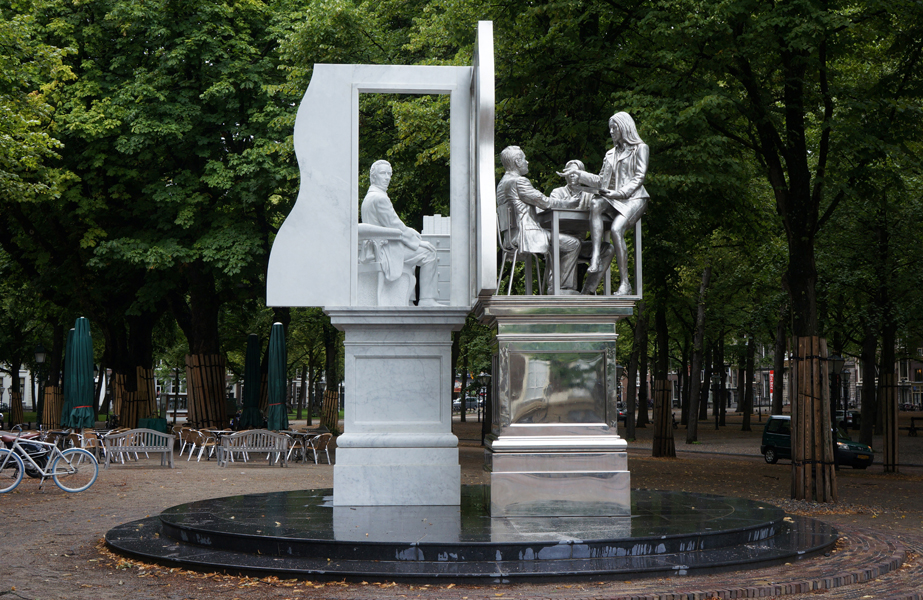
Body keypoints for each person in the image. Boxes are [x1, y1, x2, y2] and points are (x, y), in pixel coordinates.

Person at [564, 112, 649, 295]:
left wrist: (619, 193)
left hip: (634, 198)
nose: (611, 131)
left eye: (614, 127)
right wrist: (579, 175)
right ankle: (595, 257)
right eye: (610, 128)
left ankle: (625, 284)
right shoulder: (610, 153)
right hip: (613, 198)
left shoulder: (640, 148)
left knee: (617, 230)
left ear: (624, 127)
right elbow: (601, 181)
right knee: (596, 202)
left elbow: (639, 178)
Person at [497, 146, 582, 293]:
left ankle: (553, 286)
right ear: (517, 162)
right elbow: (545, 201)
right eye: (524, 159)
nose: (527, 162)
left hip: (510, 236)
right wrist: (569, 203)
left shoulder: (502, 184)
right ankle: (561, 288)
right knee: (572, 243)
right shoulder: (519, 181)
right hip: (527, 234)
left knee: (556, 241)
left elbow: (526, 205)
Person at [360, 159, 439, 306]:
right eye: (383, 173)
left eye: (389, 174)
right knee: (429, 253)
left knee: (416, 251)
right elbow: (396, 227)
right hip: (386, 250)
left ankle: (407, 300)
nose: (387, 177)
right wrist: (418, 242)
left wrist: (411, 233)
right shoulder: (380, 198)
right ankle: (427, 300)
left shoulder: (369, 197)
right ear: (374, 176)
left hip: (379, 247)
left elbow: (392, 226)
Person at [550, 159, 616, 294]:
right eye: (569, 172)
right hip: (560, 242)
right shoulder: (557, 192)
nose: (572, 175)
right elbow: (552, 212)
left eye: (576, 172)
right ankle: (563, 289)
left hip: (580, 243)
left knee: (608, 249)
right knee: (573, 244)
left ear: (582, 174)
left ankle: (589, 290)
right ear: (565, 175)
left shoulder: (590, 196)